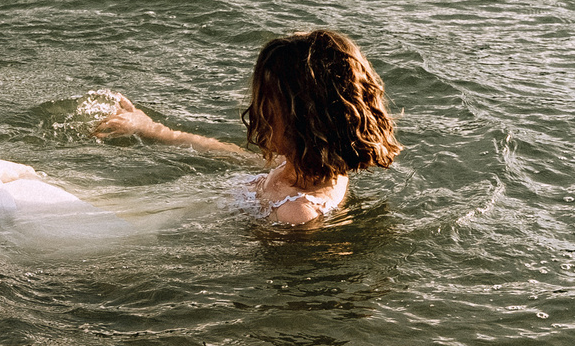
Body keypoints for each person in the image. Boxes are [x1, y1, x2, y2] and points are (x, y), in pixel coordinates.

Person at [93, 28, 399, 224]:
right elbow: (221, 151)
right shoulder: (299, 164)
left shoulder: (298, 213)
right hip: (180, 210)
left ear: (303, 120)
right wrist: (151, 128)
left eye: (267, 103)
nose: (255, 112)